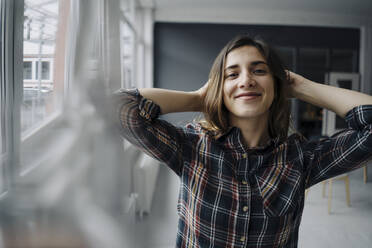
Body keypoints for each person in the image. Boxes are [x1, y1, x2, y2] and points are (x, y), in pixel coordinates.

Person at [114, 35, 372, 248]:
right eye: (231, 75)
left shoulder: (300, 157)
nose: (247, 80)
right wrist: (198, 97)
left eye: (259, 71)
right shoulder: (191, 145)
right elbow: (117, 108)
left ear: (277, 84)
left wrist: (303, 87)